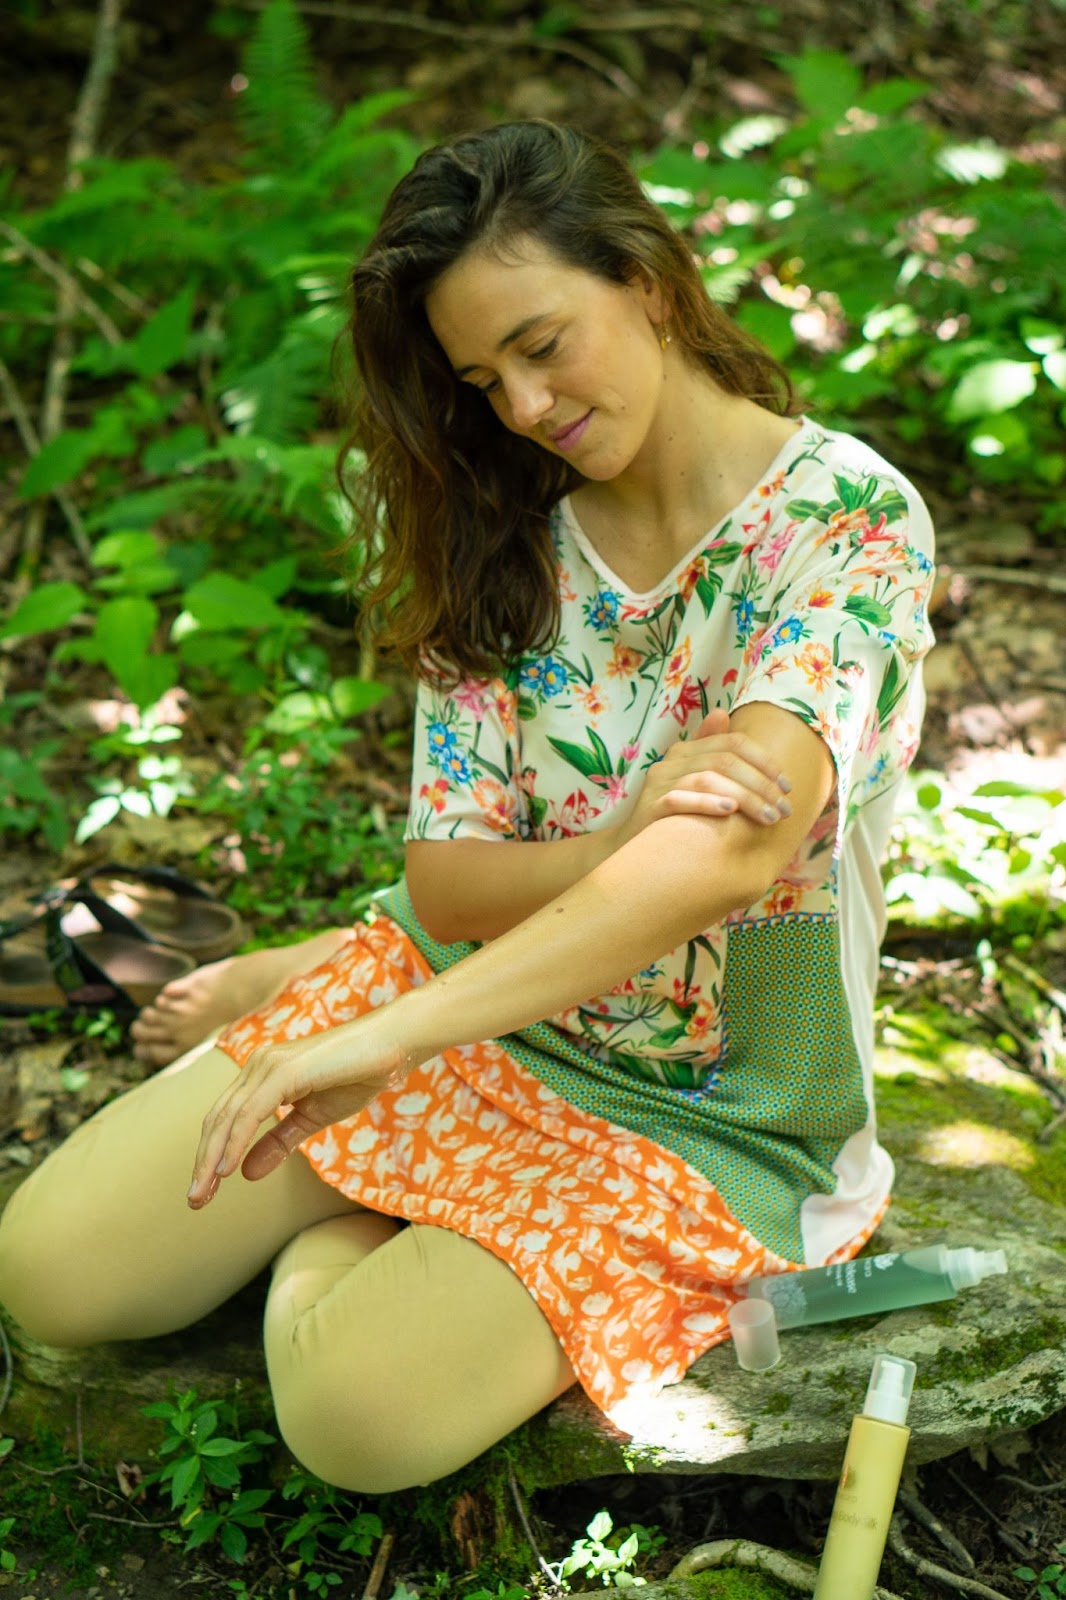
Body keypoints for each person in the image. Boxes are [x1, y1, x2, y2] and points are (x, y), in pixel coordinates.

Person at [0, 121, 934, 1494]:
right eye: (483, 379)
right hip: (455, 994)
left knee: (354, 1418)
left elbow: (726, 865)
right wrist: (612, 842)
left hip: (707, 1097)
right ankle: (357, 1076)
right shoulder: (503, 529)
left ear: (651, 285)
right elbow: (444, 885)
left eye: (543, 345)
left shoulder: (845, 521)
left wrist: (379, 1040)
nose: (520, 406)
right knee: (51, 1270)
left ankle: (361, 1182)